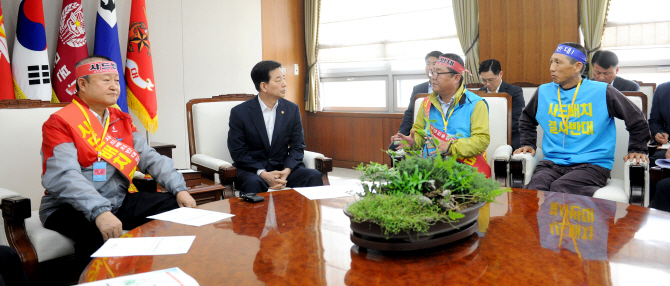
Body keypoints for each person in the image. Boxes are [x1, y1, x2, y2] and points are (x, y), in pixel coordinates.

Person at [40, 55, 196, 269]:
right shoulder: (60, 123)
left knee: (173, 205)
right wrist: (100, 211)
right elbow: (63, 176)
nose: (114, 86)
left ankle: (155, 270)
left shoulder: (120, 118)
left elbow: (150, 158)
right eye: (106, 80)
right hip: (68, 207)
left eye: (116, 80)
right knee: (96, 232)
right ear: (82, 84)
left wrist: (179, 189)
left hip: (118, 201)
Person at [515, 43, 649, 197]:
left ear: (577, 66)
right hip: (552, 162)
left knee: (561, 187)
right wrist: (528, 143)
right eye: (551, 62)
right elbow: (526, 118)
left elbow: (637, 119)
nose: (552, 68)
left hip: (592, 165)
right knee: (534, 190)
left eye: (558, 62)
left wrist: (637, 148)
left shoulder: (602, 91)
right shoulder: (543, 91)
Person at [228, 60, 323, 194]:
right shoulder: (240, 113)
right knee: (252, 183)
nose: (284, 84)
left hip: (283, 169)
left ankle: (308, 216)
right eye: (278, 80)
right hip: (253, 171)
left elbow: (298, 146)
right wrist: (263, 173)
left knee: (313, 176)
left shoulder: (292, 109)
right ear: (264, 86)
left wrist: (287, 170)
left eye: (284, 78)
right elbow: (238, 152)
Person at [393, 53, 491, 176]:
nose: (433, 77)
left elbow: (481, 140)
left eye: (438, 73)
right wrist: (413, 142)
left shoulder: (476, 104)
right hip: (431, 169)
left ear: (456, 78)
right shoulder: (426, 103)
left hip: (465, 170)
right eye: (432, 72)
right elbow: (418, 133)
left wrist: (450, 147)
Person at [389, 51, 442, 152]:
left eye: (434, 64)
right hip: (419, 132)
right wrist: (401, 134)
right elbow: (409, 114)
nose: (430, 67)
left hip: (439, 133)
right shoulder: (418, 89)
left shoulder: (446, 89)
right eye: (428, 64)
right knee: (394, 147)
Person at [478, 59, 525, 149]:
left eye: (491, 80)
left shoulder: (514, 91)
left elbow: (517, 120)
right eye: (484, 80)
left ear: (500, 74)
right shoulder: (479, 94)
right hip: (484, 135)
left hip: (509, 135)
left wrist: (496, 130)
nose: (487, 84)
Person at [648, 81, 670, 165]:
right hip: (667, 145)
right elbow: (655, 121)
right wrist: (659, 133)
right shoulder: (662, 89)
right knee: (655, 161)